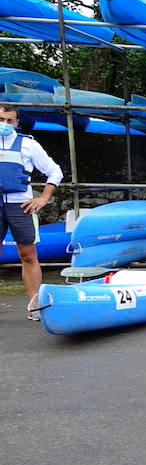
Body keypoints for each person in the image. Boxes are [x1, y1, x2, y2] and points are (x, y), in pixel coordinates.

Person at [0, 102, 64, 316]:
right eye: (1, 120)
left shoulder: (28, 144)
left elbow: (54, 171)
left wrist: (44, 198)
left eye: (10, 120)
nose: (5, 124)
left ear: (17, 123)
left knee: (27, 254)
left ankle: (34, 305)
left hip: (20, 205)